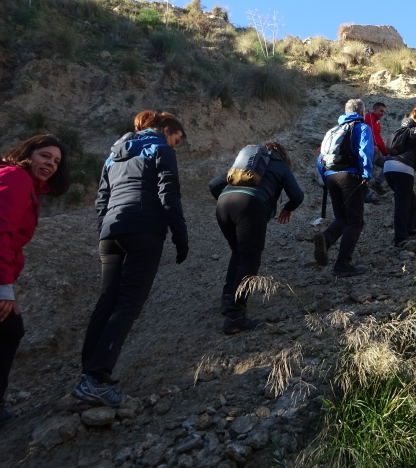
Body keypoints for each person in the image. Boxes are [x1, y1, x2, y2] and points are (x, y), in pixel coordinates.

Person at [75, 110, 189, 407]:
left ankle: (88, 375)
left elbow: (102, 199)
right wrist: (180, 235)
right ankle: (97, 380)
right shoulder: (161, 149)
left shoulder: (114, 154)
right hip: (144, 230)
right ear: (166, 130)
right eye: (176, 140)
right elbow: (169, 193)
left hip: (111, 233)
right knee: (128, 304)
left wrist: (104, 231)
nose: (175, 146)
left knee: (106, 302)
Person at [0, 136, 70, 438]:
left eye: (56, 161)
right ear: (27, 154)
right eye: (45, 156)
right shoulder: (14, 177)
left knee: (11, 330)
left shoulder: (22, 184)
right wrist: (4, 284)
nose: (50, 164)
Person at [209, 143, 303, 334]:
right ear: (282, 155)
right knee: (250, 259)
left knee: (238, 252)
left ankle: (228, 299)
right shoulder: (281, 166)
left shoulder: (245, 165)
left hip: (223, 204)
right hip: (251, 205)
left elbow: (214, 184)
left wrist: (229, 198)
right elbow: (297, 195)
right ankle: (235, 316)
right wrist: (288, 208)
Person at [314, 99, 374, 277]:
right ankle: (342, 265)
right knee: (355, 221)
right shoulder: (362, 128)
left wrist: (326, 177)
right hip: (351, 177)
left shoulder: (333, 130)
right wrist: (366, 175)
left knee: (342, 217)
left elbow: (321, 158)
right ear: (362, 113)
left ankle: (326, 239)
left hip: (330, 177)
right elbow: (365, 152)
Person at [382, 104, 416, 247]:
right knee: (402, 203)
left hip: (388, 167)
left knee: (410, 199)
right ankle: (400, 238)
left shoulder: (401, 129)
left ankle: (411, 230)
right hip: (403, 169)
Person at [363, 102, 388, 199]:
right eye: (381, 111)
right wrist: (373, 145)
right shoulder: (370, 117)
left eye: (384, 112)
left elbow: (379, 138)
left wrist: (386, 153)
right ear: (374, 109)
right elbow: (371, 132)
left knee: (388, 164)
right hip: (370, 150)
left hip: (376, 151)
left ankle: (377, 183)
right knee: (369, 170)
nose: (382, 113)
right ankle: (365, 192)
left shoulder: (377, 122)